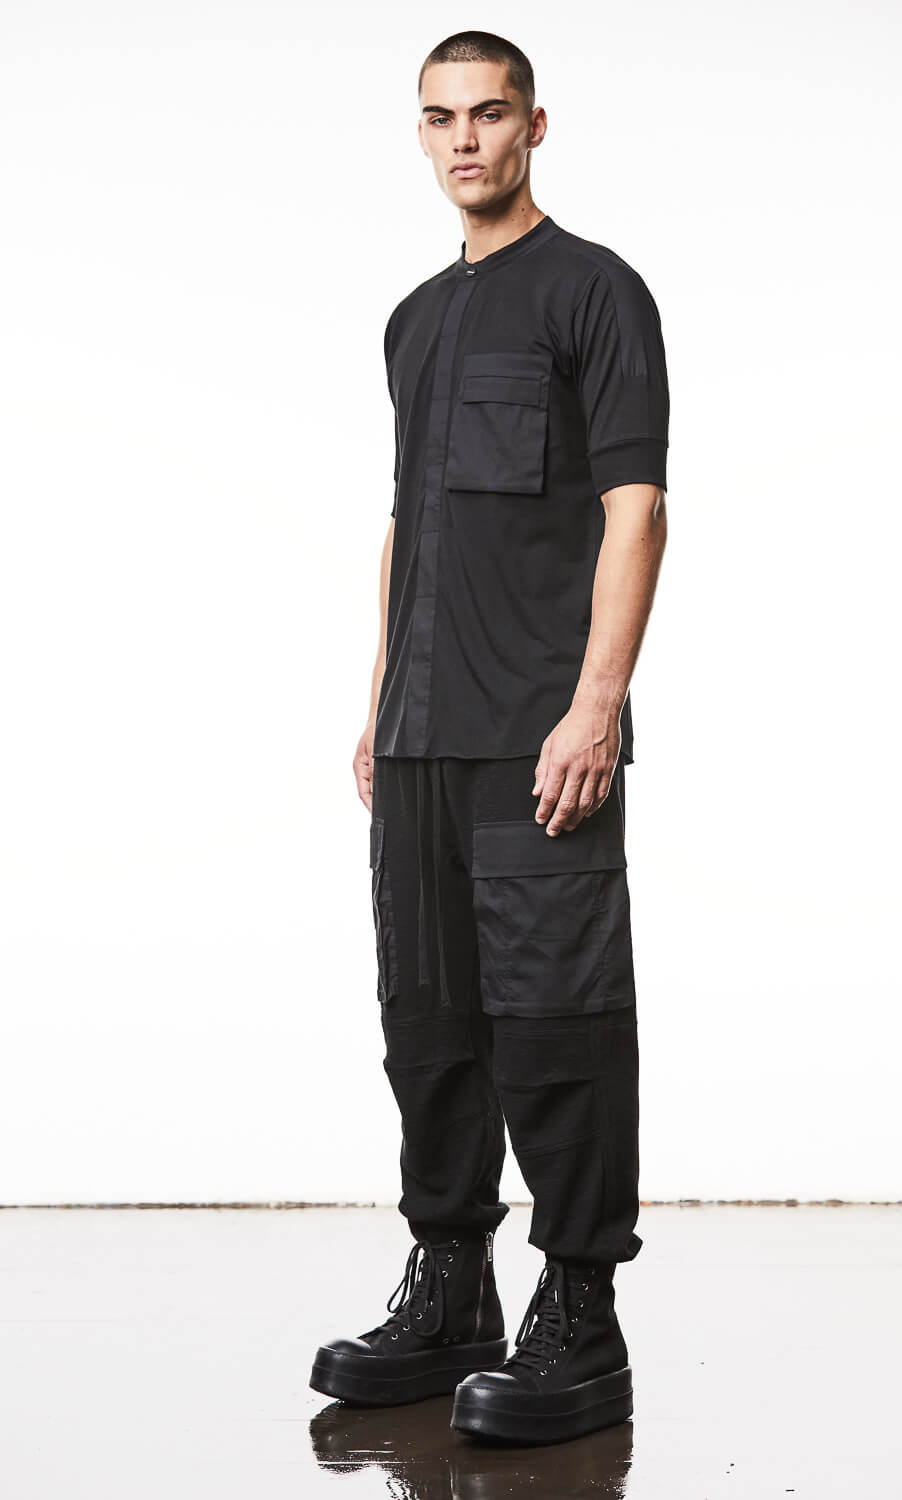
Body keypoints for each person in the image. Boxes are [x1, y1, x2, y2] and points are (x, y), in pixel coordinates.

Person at [310, 29, 669, 1446]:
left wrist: (596, 704)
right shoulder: (412, 319)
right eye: (441, 118)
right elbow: (408, 521)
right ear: (421, 133)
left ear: (534, 126)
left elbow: (638, 510)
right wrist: (379, 695)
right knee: (430, 1023)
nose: (465, 140)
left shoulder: (596, 291)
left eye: (490, 114)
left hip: (537, 737)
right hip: (418, 740)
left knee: (557, 1027)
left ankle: (580, 1313)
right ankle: (450, 1288)